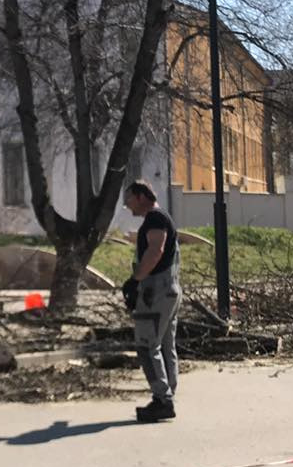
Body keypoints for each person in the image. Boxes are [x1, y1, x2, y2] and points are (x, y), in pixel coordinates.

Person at [122, 181, 179, 423]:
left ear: (141, 196)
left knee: (146, 346)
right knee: (165, 346)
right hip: (168, 290)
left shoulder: (155, 218)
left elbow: (155, 251)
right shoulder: (161, 217)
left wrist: (135, 280)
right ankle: (167, 396)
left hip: (156, 292)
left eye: (128, 199)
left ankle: (162, 400)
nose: (126, 205)